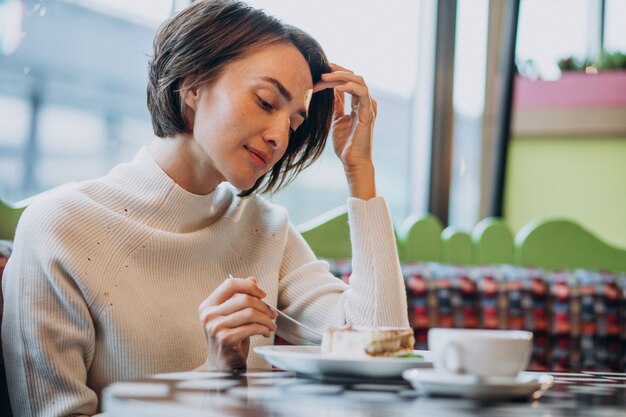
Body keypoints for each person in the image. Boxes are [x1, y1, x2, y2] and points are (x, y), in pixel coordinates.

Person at [1, 0, 409, 415]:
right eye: (267, 102)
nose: (279, 138)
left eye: (294, 122)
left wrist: (360, 169)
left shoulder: (264, 228)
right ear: (192, 84)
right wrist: (207, 378)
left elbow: (380, 347)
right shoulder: (60, 227)